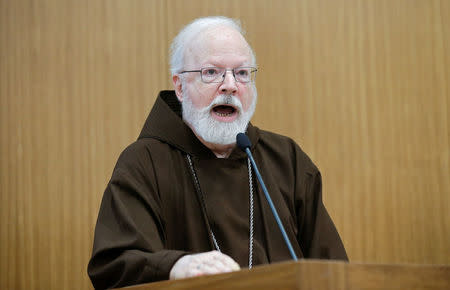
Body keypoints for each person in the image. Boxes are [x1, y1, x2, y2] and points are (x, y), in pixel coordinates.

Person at [88, 16, 348, 289]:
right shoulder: (144, 162)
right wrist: (175, 266)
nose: (230, 85)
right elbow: (115, 265)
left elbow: (333, 270)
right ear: (179, 86)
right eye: (211, 72)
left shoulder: (287, 160)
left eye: (242, 73)